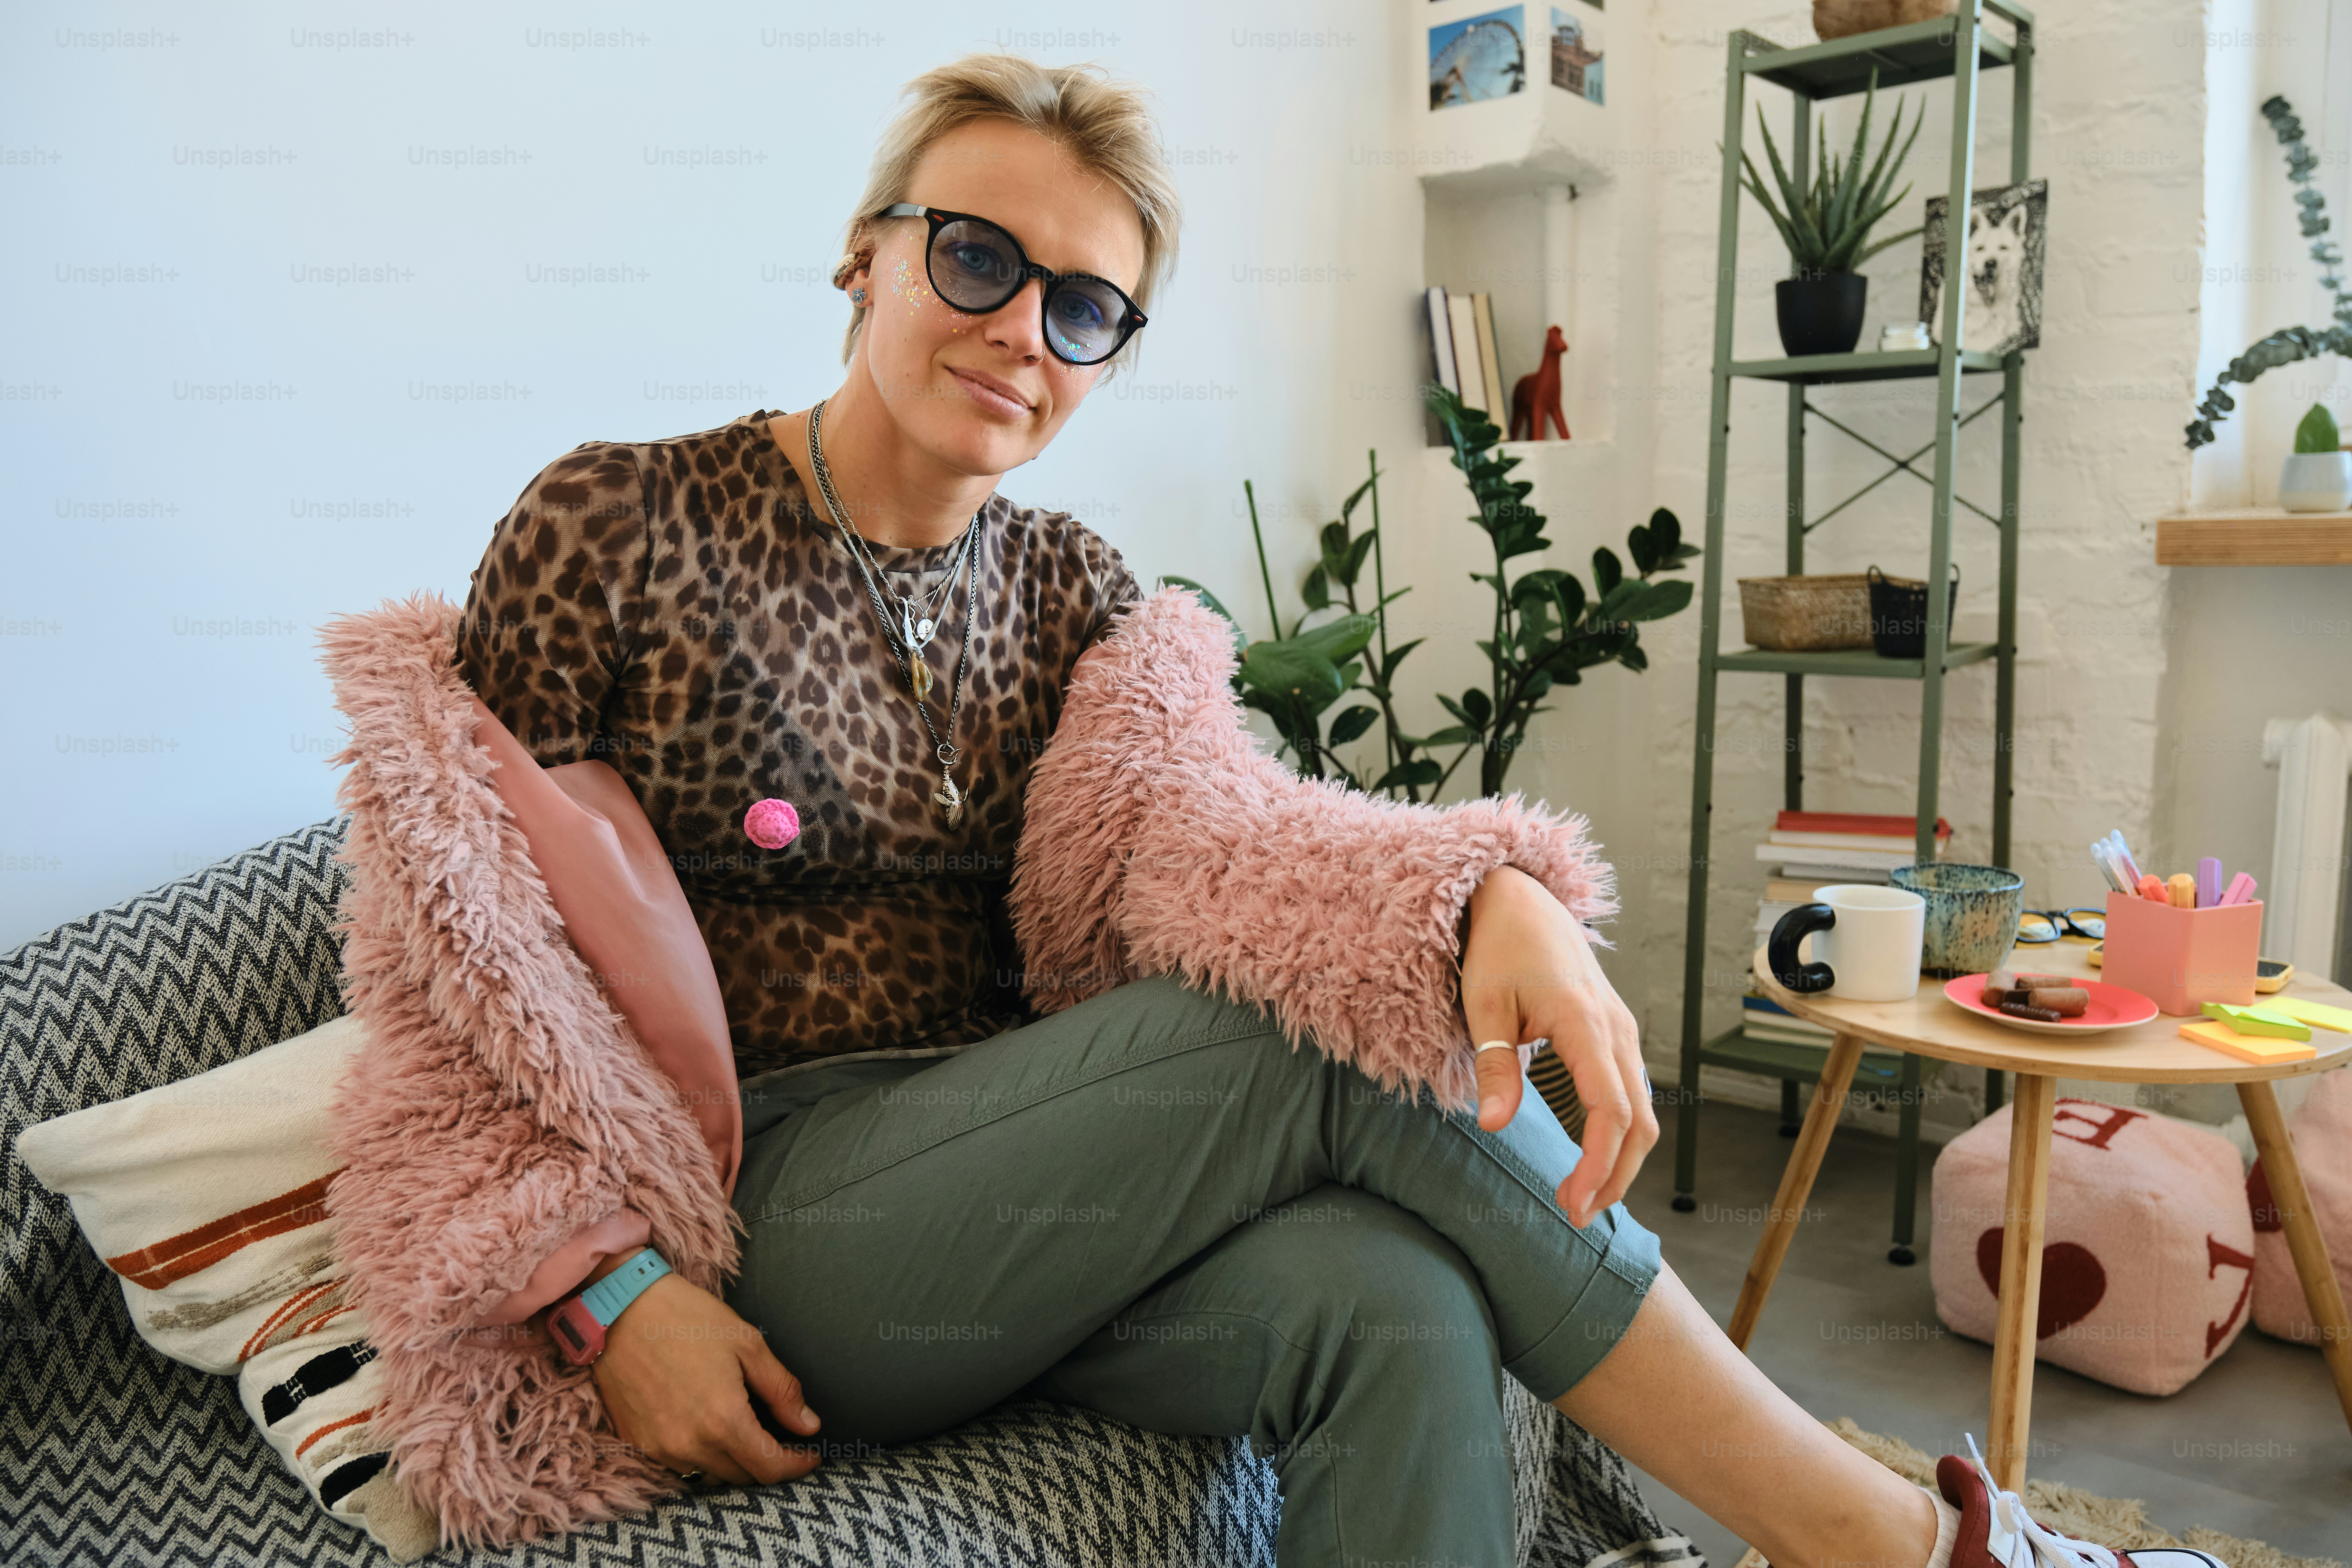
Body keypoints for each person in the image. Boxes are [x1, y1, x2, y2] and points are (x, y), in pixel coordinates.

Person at [455, 51, 2218, 1568]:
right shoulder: (614, 525)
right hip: (784, 1208)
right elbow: (447, 951)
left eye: (1083, 308)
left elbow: (1223, 839)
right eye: (976, 258)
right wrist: (601, 1291)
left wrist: (1479, 900)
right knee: (1309, 1034)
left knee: (1404, 1309)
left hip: (1056, 1184)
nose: (1019, 331)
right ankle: (1887, 1539)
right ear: (865, 255)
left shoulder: (1074, 587)